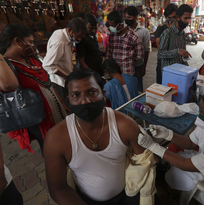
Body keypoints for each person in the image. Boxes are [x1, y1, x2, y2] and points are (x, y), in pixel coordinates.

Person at [44, 69, 156, 205]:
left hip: (127, 194)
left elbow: (145, 163)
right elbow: (58, 188)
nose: (85, 101)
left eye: (92, 92)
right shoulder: (56, 138)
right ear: (68, 101)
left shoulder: (124, 125)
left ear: (103, 94)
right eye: (76, 95)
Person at [0, 24, 67, 154]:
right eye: (30, 42)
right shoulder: (6, 67)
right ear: (17, 41)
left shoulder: (31, 60)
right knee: (52, 151)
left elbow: (47, 83)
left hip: (56, 111)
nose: (33, 46)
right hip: (38, 122)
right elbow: (9, 85)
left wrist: (62, 103)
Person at [43, 18, 87, 102]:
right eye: (77, 36)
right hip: (59, 82)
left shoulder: (66, 35)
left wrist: (73, 68)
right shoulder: (60, 42)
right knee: (66, 105)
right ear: (70, 30)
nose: (79, 39)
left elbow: (65, 57)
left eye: (81, 37)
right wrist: (67, 76)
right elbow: (47, 65)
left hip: (66, 77)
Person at [106, 10, 144, 78]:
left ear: (120, 25)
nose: (110, 28)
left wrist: (128, 59)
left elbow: (140, 56)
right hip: (114, 74)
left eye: (112, 26)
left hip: (127, 74)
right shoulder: (112, 35)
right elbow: (109, 52)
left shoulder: (134, 37)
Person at [157, 4, 193, 74]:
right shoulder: (167, 33)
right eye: (185, 18)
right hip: (169, 73)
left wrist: (189, 69)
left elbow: (182, 56)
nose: (188, 21)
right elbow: (160, 54)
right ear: (177, 17)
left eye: (189, 18)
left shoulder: (183, 34)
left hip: (179, 72)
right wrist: (177, 51)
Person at [124, 6, 151, 92]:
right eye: (126, 17)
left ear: (135, 17)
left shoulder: (144, 31)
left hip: (138, 65)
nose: (127, 19)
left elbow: (146, 50)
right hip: (126, 65)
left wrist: (144, 67)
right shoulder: (123, 30)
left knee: (138, 88)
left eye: (129, 17)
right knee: (126, 88)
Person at [155, 3, 178, 84]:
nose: (172, 19)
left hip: (176, 66)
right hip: (163, 66)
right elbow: (159, 46)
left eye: (174, 17)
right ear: (165, 18)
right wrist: (170, 30)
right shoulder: (161, 29)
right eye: (169, 17)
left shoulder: (180, 31)